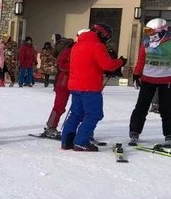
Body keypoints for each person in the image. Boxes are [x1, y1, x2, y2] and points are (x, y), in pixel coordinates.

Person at [60, 23, 128, 151]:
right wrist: (120, 62)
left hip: (75, 86)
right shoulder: (97, 46)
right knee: (94, 114)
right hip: (90, 87)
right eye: (106, 38)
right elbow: (107, 65)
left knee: (76, 114)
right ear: (101, 34)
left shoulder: (77, 45)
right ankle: (81, 142)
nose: (106, 41)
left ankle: (66, 141)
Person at [128, 17, 171, 146]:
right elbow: (142, 59)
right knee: (141, 107)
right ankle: (134, 131)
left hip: (166, 80)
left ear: (162, 31)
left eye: (152, 32)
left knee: (167, 109)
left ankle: (169, 134)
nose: (149, 34)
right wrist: (136, 73)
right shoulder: (147, 41)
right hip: (148, 79)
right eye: (147, 31)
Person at [40, 34, 73, 138]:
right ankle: (51, 127)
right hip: (64, 80)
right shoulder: (69, 49)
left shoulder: (66, 47)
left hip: (65, 80)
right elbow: (61, 64)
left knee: (60, 106)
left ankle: (51, 127)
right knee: (59, 106)